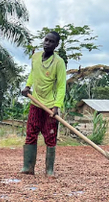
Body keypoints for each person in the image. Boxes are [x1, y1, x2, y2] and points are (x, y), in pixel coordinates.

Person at [21, 31, 66, 177]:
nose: (47, 43)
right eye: (46, 40)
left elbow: (61, 86)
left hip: (51, 106)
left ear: (56, 45)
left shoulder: (59, 62)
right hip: (36, 102)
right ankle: (28, 167)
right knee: (31, 133)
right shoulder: (35, 57)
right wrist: (28, 86)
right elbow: (33, 73)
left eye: (51, 41)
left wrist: (57, 106)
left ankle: (49, 170)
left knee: (50, 136)